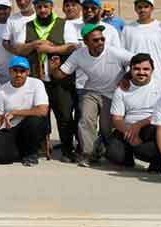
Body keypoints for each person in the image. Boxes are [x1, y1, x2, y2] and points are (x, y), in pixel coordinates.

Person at [52, 23, 134, 166]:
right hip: (91, 91)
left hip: (112, 94)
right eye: (95, 40)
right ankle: (88, 155)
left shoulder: (114, 52)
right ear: (86, 42)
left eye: (102, 39)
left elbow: (136, 60)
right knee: (85, 120)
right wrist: (53, 69)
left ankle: (102, 148)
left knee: (106, 128)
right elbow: (61, 74)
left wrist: (126, 76)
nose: (100, 42)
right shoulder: (79, 55)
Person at [12, 0, 77, 162]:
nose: (42, 10)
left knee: (64, 116)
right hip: (36, 79)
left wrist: (52, 50)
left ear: (51, 7)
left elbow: (71, 47)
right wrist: (34, 44)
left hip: (60, 79)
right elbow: (18, 49)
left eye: (45, 6)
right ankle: (40, 146)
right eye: (39, 6)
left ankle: (67, 149)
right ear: (34, 7)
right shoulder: (27, 26)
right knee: (39, 116)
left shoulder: (64, 24)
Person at [107, 52, 161, 172]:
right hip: (127, 128)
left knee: (149, 146)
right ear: (130, 70)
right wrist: (129, 131)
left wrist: (139, 125)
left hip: (152, 126)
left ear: (152, 70)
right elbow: (116, 119)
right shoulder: (122, 88)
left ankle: (156, 162)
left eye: (146, 69)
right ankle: (129, 156)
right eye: (137, 69)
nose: (141, 72)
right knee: (114, 154)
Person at [0, 57, 51, 166]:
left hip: (29, 126)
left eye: (22, 71)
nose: (18, 74)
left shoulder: (36, 84)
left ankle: (31, 153)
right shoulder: (1, 91)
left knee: (35, 120)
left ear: (28, 72)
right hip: (10, 127)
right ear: (10, 71)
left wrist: (15, 113)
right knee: (0, 157)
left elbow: (43, 110)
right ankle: (22, 151)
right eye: (15, 70)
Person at [122, 0, 161, 77]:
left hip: (159, 75)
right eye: (139, 7)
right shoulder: (127, 29)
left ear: (152, 8)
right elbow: (123, 54)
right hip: (135, 77)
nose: (142, 10)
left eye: (146, 7)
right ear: (135, 9)